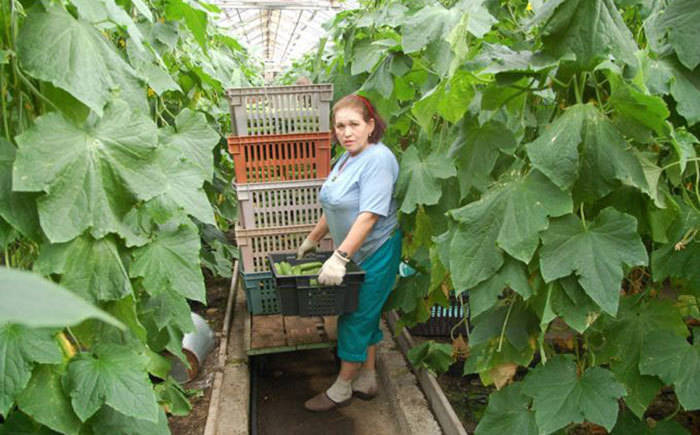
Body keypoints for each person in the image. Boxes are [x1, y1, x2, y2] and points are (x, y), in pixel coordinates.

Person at [296, 94, 402, 412]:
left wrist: (339, 257)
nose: (346, 132)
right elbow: (335, 203)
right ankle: (367, 378)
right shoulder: (347, 157)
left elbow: (369, 216)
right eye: (340, 126)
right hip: (356, 252)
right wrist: (313, 238)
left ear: (371, 126)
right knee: (365, 313)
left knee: (354, 318)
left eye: (354, 124)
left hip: (376, 251)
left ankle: (342, 387)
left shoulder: (379, 160)